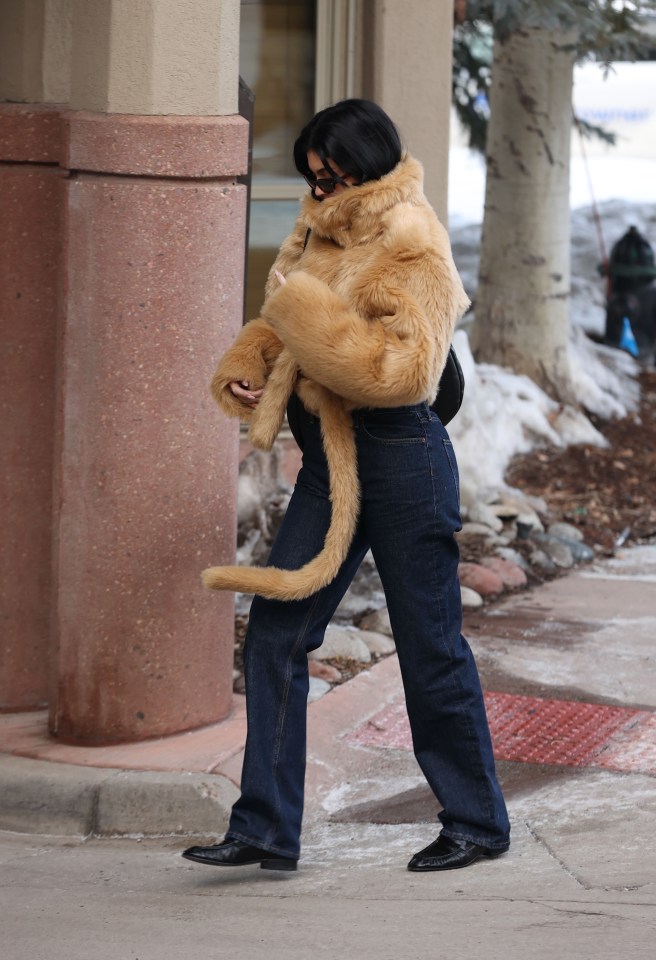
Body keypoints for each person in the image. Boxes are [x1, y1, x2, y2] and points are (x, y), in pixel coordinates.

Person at [182, 99, 510, 873]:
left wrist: (302, 312)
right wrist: (252, 365)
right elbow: (283, 324)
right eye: (313, 178)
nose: (320, 191)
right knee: (274, 635)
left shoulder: (414, 244)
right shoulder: (327, 230)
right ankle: (264, 825)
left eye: (331, 176)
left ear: (368, 166)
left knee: (429, 645)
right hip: (333, 468)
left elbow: (398, 375)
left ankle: (476, 822)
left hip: (402, 461)